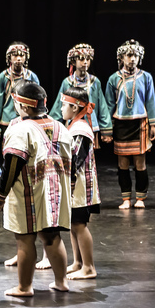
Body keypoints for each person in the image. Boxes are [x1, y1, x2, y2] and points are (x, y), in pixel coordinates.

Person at [0, 81, 72, 296]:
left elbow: (12, 165)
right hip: (54, 192)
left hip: (29, 192)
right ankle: (61, 282)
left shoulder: (22, 130)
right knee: (51, 236)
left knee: (25, 239)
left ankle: (24, 287)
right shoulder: (60, 126)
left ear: (24, 106)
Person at [104, 40, 155, 209]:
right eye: (129, 55)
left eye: (135, 55)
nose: (132, 59)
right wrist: (107, 129)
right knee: (122, 164)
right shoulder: (114, 79)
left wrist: (153, 125)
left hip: (140, 124)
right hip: (121, 125)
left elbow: (151, 101)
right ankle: (126, 198)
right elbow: (108, 105)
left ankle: (140, 198)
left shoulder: (146, 77)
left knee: (140, 163)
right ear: (121, 58)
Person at [59, 87, 100, 279]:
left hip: (80, 185)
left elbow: (76, 159)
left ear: (74, 108)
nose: (61, 109)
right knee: (73, 223)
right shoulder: (73, 125)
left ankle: (89, 266)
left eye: (64, 105)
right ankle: (78, 262)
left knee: (79, 224)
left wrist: (70, 181)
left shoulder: (80, 129)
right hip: (74, 183)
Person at [48, 43, 112, 146]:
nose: (85, 62)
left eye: (88, 59)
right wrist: (51, 127)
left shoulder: (94, 82)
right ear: (73, 62)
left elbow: (102, 106)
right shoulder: (67, 82)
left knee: (89, 150)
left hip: (90, 124)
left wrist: (106, 129)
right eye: (81, 59)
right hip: (72, 124)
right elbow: (59, 106)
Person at [0, 42, 39, 146]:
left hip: (28, 119)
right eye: (15, 55)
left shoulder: (32, 77)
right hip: (7, 120)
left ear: (26, 57)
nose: (18, 58)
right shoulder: (2, 77)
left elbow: (38, 100)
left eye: (21, 55)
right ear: (9, 58)